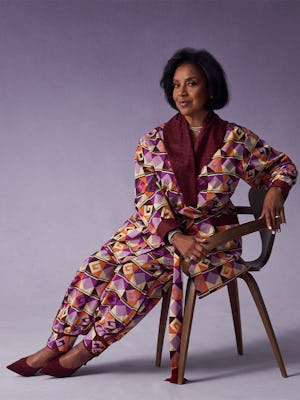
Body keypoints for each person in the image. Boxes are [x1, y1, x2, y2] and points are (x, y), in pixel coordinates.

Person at [7, 48, 297, 383]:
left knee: (136, 271)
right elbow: (148, 198)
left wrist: (275, 189)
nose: (182, 93)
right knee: (96, 265)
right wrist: (175, 236)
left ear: (211, 89)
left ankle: (89, 348)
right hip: (158, 230)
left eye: (191, 84)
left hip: (211, 240)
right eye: (176, 85)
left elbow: (282, 165)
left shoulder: (237, 140)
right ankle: (57, 343)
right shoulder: (153, 141)